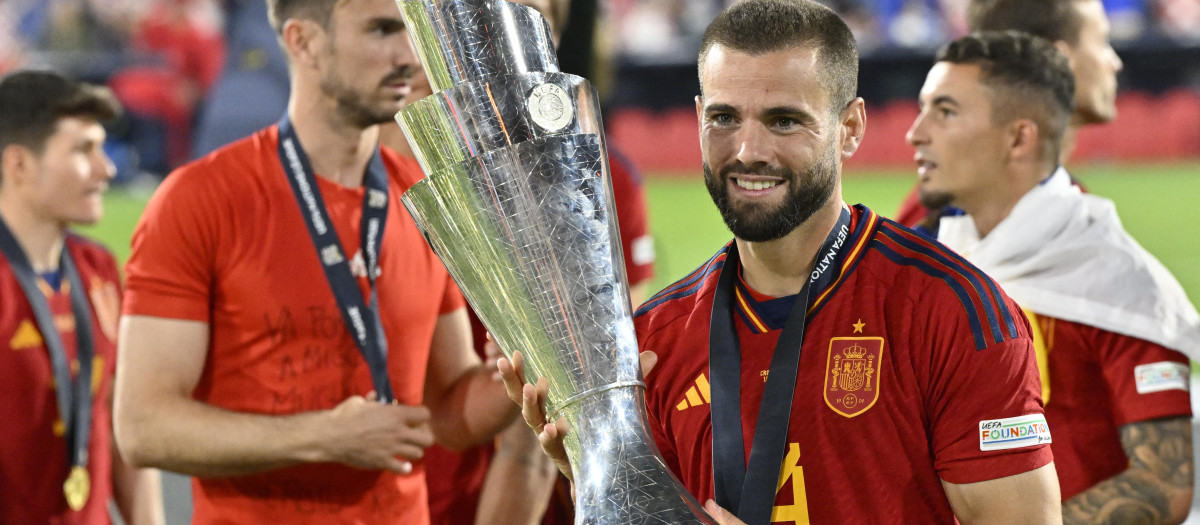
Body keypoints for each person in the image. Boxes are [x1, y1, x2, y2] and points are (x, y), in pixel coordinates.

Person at [500, 1, 1063, 523]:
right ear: (697, 116)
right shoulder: (656, 342)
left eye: (784, 121)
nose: (748, 150)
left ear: (850, 128)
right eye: (723, 118)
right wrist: (609, 482)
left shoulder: (954, 313)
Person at [112, 0, 519, 523]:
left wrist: (524, 374)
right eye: (381, 30)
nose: (410, 55)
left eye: (413, 32)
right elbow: (144, 427)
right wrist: (325, 437)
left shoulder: (424, 200)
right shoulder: (200, 200)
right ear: (302, 41)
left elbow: (447, 412)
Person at [378, 1, 655, 523]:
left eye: (531, 17)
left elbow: (611, 367)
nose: (504, 44)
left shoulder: (598, 173)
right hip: (415, 492)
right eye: (483, 21)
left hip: (552, 495)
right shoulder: (376, 181)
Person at [906, 30, 1198, 524]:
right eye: (922, 108)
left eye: (945, 112)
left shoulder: (1120, 285)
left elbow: (1163, 483)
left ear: (1019, 138)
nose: (916, 132)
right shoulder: (925, 261)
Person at [0, 70, 164, 525]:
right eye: (82, 150)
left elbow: (119, 423)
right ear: (19, 165)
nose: (106, 168)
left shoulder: (100, 269)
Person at [893, 0, 1123, 232]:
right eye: (1102, 42)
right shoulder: (944, 220)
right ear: (1055, 60)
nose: (1115, 63)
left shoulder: (1063, 202)